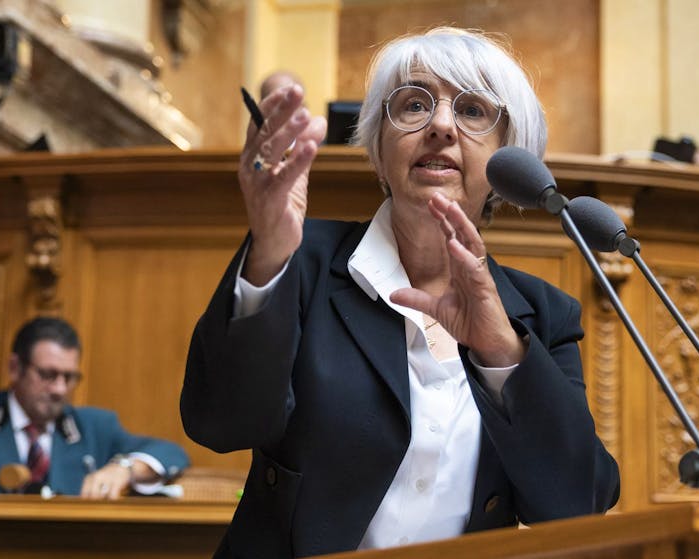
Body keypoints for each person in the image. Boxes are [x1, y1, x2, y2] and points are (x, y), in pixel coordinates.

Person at [181, 27, 620, 557]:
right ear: (379, 146)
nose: (439, 125)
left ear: (510, 158)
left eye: (473, 111)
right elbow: (220, 423)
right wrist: (269, 252)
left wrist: (501, 351)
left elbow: (578, 502)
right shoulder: (299, 261)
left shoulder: (543, 315)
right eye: (413, 105)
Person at [0, 316, 189, 498]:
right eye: (47, 375)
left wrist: (124, 467)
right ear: (15, 368)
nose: (59, 389)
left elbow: (171, 453)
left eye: (69, 377)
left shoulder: (94, 427)